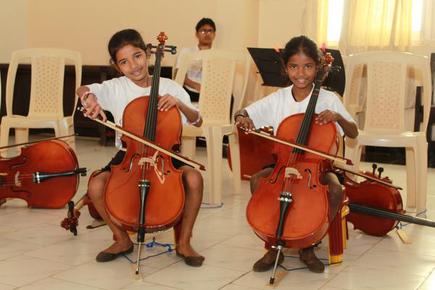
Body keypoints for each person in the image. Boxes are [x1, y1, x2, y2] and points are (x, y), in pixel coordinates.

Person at [76, 28, 205, 267]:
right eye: (124, 62)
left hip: (165, 154)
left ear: (147, 54)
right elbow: (84, 89)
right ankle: (121, 239)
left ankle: (184, 242)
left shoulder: (170, 87)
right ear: (117, 66)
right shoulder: (116, 87)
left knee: (194, 179)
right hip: (129, 155)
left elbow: (198, 120)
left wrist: (179, 105)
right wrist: (88, 99)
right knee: (95, 185)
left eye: (137, 56)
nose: (133, 66)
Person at [234, 35, 358, 273]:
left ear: (317, 68)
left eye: (308, 66)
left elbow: (353, 132)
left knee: (335, 189)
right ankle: (272, 244)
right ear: (285, 68)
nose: (301, 73)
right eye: (294, 66)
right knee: (259, 181)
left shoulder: (328, 99)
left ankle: (308, 245)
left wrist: (338, 117)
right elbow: (243, 112)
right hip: (284, 165)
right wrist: (242, 119)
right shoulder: (278, 98)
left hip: (317, 170)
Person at [174, 17, 216, 102]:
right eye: (203, 31)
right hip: (190, 90)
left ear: (214, 34)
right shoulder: (186, 52)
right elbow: (178, 75)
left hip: (210, 92)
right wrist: (197, 86)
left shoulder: (218, 55)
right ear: (197, 34)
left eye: (210, 31)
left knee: (230, 97)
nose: (207, 34)